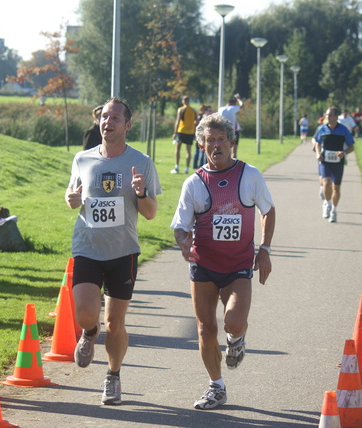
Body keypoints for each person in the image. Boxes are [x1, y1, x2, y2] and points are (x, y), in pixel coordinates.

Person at [170, 113, 276, 410]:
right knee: (205, 329)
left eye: (221, 140)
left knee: (233, 320)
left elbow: (268, 211)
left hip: (238, 266)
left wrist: (265, 249)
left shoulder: (250, 175)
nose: (216, 145)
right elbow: (180, 225)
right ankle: (216, 386)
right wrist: (183, 242)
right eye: (209, 140)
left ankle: (237, 338)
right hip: (203, 265)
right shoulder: (194, 183)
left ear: (232, 143)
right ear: (202, 145)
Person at [64, 97, 162, 405]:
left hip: (123, 252)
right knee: (85, 313)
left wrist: (141, 193)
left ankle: (113, 376)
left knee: (116, 324)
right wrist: (72, 199)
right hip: (88, 247)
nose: (108, 122)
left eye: (115, 118)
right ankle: (89, 332)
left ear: (127, 125)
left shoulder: (142, 162)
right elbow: (72, 196)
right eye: (104, 117)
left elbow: (151, 213)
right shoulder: (82, 159)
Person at [314, 107, 355, 223]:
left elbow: (351, 146)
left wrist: (344, 153)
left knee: (336, 188)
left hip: (338, 162)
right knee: (326, 182)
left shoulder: (343, 130)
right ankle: (327, 204)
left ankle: (334, 210)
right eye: (327, 115)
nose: (327, 117)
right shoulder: (321, 129)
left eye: (330, 115)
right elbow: (317, 143)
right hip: (325, 161)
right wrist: (318, 153)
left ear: (336, 117)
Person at [171, 96, 197, 174]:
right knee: (188, 151)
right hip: (190, 132)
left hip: (181, 131)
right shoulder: (193, 110)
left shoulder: (181, 109)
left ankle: (176, 167)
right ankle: (187, 169)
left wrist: (175, 132)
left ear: (183, 101)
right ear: (189, 101)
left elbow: (177, 121)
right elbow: (196, 122)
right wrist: (195, 132)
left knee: (177, 149)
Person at [218, 94, 243, 158]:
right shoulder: (233, 108)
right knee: (234, 150)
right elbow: (242, 105)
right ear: (234, 103)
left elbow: (227, 106)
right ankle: (234, 164)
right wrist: (238, 99)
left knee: (225, 149)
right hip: (234, 131)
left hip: (223, 131)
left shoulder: (221, 109)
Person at [193, 105, 212, 169]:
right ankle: (201, 166)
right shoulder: (204, 117)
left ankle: (199, 165)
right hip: (202, 136)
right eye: (209, 110)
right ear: (206, 111)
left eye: (211, 110)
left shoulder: (204, 116)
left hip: (203, 136)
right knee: (202, 151)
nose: (210, 112)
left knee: (201, 151)